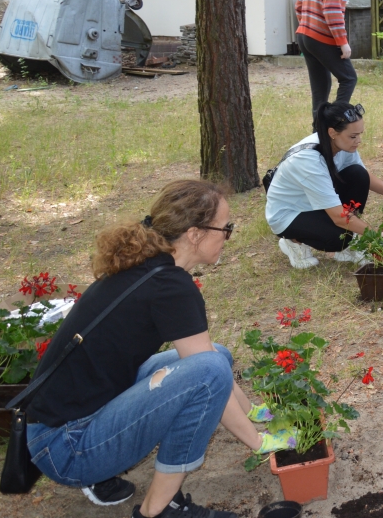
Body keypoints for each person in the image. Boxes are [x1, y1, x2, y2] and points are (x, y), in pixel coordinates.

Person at [27, 180, 294, 518]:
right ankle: (158, 510)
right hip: (69, 448)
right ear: (195, 234)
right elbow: (208, 374)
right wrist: (261, 443)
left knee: (217, 356)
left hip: (54, 429)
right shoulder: (171, 287)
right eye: (226, 228)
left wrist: (257, 413)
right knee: (209, 370)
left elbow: (208, 357)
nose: (229, 235)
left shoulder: (146, 264)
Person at [265, 102, 383, 268]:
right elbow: (339, 216)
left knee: (357, 174)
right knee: (340, 237)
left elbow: (364, 176)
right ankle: (293, 242)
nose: (358, 141)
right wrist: (382, 237)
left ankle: (346, 243)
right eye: (353, 136)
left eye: (360, 134)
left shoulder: (342, 144)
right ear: (332, 133)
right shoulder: (308, 160)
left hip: (315, 203)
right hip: (290, 214)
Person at [296, 0, 359, 121]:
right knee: (349, 78)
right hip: (320, 37)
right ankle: (334, 122)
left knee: (320, 88)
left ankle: (318, 131)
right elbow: (332, 11)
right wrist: (342, 42)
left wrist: (307, 25)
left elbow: (299, 5)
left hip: (304, 35)